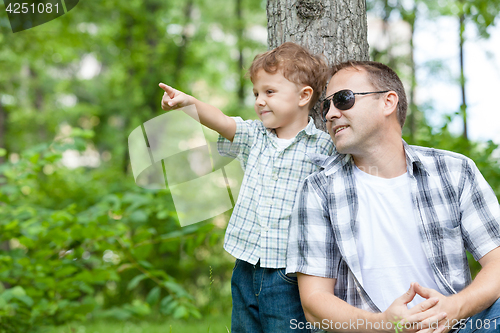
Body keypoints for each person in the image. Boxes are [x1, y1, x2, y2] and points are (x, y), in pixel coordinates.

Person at [286, 60, 500, 333]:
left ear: (388, 102)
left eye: (343, 99)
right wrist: (384, 325)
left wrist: (454, 309)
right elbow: (314, 303)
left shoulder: (455, 171)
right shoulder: (318, 190)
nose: (329, 114)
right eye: (325, 106)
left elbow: (497, 262)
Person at [159, 42, 334, 333]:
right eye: (256, 93)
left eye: (269, 92)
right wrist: (189, 103)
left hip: (289, 271)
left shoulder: (323, 147)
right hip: (246, 263)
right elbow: (221, 121)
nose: (260, 101)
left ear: (304, 96)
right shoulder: (255, 136)